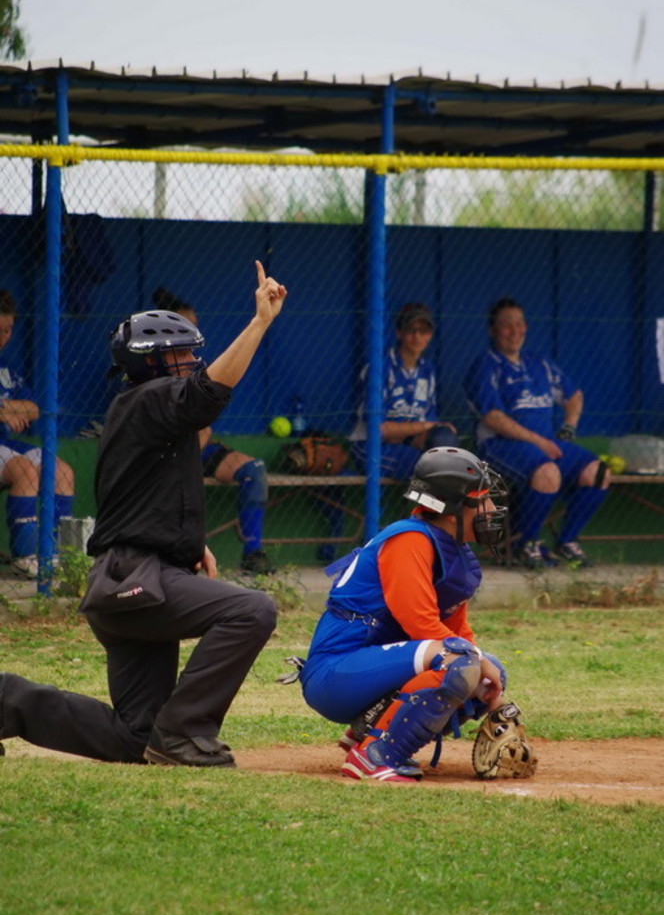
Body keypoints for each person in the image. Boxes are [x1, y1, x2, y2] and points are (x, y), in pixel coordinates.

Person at [0, 261, 286, 767]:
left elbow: (140, 498)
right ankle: (183, 733)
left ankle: (6, 702)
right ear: (150, 363)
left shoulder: (144, 413)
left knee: (134, 737)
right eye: (179, 355)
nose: (190, 363)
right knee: (252, 610)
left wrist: (188, 543)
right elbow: (207, 395)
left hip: (130, 581)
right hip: (135, 581)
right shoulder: (148, 398)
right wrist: (259, 323)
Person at [299, 447, 537, 784]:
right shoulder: (409, 540)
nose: (490, 510)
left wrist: (493, 694)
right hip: (335, 673)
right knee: (458, 661)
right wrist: (473, 661)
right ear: (453, 510)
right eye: (481, 500)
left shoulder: (454, 551)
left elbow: (457, 631)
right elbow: (420, 624)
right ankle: (372, 756)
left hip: (371, 665)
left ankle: (368, 730)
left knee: (487, 672)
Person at [464, 296, 610, 568]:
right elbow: (493, 418)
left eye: (520, 324)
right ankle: (525, 543)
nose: (514, 330)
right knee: (547, 473)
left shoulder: (538, 363)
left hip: (545, 444)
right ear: (492, 330)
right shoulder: (485, 365)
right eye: (506, 325)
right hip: (500, 445)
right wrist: (539, 442)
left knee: (598, 471)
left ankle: (567, 541)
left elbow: (574, 395)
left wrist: (569, 427)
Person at [152, 286, 272, 575]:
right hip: (164, 457)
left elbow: (203, 428)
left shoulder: (195, 366)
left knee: (254, 470)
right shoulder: (151, 370)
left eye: (195, 325)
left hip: (199, 448)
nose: (194, 332)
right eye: (186, 326)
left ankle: (252, 553)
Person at [0, 289, 75, 579]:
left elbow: (32, 409)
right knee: (25, 471)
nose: (4, 337)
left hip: (6, 444)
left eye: (8, 330)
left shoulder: (7, 367)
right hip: (7, 452)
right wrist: (5, 411)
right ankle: (27, 556)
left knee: (62, 472)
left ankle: (59, 555)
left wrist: (6, 407)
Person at [349, 303, 458, 481]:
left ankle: (432, 507)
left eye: (423, 331)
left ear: (430, 335)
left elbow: (429, 429)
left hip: (407, 445)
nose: (417, 336)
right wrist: (424, 427)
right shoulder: (379, 369)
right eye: (410, 330)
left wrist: (414, 431)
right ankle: (434, 507)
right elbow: (380, 430)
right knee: (434, 469)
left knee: (444, 439)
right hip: (370, 446)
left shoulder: (427, 371)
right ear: (399, 333)